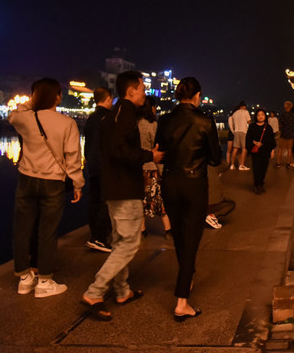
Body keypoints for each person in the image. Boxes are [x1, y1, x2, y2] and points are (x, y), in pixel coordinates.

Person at [82, 71, 163, 321]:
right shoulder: (125, 114)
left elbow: (113, 151)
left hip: (113, 187)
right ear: (131, 90)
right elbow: (121, 152)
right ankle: (95, 292)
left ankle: (122, 290)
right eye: (142, 89)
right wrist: (150, 155)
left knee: (120, 242)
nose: (145, 93)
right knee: (129, 243)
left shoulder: (114, 114)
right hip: (124, 188)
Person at [9, 78, 84, 297]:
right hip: (53, 182)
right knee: (47, 232)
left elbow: (12, 115)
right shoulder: (67, 123)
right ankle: (44, 281)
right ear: (58, 97)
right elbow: (73, 157)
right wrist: (77, 183)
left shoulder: (26, 119)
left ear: (35, 96)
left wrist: (31, 102)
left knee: (22, 229)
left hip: (26, 179)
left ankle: (24, 279)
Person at [156, 77, 221, 321]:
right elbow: (215, 158)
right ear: (197, 95)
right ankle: (182, 301)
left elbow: (160, 151)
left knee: (179, 235)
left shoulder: (165, 119)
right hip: (194, 183)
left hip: (170, 181)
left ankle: (188, 274)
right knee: (192, 237)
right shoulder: (205, 120)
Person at [84, 86, 113, 253]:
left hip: (92, 165)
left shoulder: (91, 118)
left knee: (94, 200)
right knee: (106, 201)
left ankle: (94, 233)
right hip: (105, 165)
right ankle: (99, 237)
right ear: (108, 99)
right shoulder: (109, 118)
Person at [138, 96, 171, 238]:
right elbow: (157, 149)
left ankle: (142, 230)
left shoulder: (135, 124)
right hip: (151, 167)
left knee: (140, 200)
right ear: (152, 108)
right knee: (159, 200)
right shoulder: (153, 125)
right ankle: (168, 229)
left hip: (137, 167)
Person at [246, 108, 276, 194]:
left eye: (262, 115)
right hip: (255, 151)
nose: (260, 116)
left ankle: (261, 183)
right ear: (256, 117)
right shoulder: (252, 127)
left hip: (265, 151)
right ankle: (256, 185)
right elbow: (248, 139)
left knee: (264, 168)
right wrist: (255, 143)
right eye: (258, 115)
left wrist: (272, 150)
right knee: (256, 168)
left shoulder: (268, 127)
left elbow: (271, 140)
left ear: (265, 116)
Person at [229, 101, 251, 171]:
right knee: (244, 148)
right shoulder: (246, 112)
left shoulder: (235, 113)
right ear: (244, 106)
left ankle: (232, 165)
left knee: (235, 149)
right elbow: (249, 122)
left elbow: (233, 123)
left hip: (236, 132)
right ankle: (241, 165)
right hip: (243, 131)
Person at [276, 100, 294, 167]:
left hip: (283, 134)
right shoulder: (293, 116)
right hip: (290, 135)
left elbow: (280, 125)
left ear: (285, 107)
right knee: (289, 150)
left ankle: (278, 163)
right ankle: (288, 163)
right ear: (291, 107)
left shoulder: (283, 115)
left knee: (280, 149)